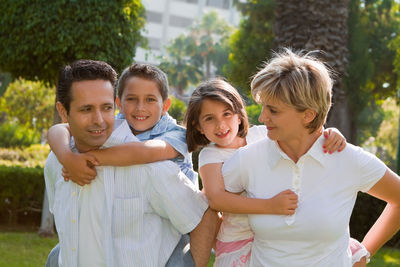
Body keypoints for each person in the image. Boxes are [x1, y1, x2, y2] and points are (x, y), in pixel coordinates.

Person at [221, 49, 400, 266]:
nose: (262, 117)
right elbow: (210, 202)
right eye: (263, 107)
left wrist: (362, 253)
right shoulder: (248, 159)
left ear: (308, 115)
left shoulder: (348, 159)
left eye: (274, 111)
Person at [44, 59, 216, 267]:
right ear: (63, 112)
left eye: (105, 108)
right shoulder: (57, 162)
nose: (98, 119)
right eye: (86, 109)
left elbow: (205, 217)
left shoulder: (150, 163)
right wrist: (69, 158)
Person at [184, 78, 347, 266]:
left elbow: (301, 137)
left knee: (348, 251)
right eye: (209, 118)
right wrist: (271, 206)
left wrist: (330, 133)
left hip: (280, 231)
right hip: (240, 238)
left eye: (226, 114)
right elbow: (216, 199)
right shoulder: (211, 155)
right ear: (198, 126)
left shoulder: (262, 135)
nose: (220, 125)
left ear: (239, 115)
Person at [47, 62, 197, 188]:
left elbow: (145, 152)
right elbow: (58, 129)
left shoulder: (177, 135)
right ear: (119, 103)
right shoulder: (118, 122)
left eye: (150, 100)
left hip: (185, 214)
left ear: (165, 105)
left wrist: (85, 159)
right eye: (132, 99)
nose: (140, 107)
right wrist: (68, 158)